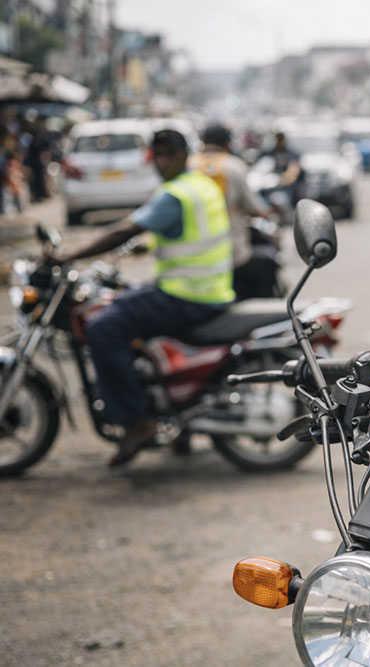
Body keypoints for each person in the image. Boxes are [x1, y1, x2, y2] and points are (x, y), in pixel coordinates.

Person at [45, 129, 234, 467]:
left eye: (167, 155)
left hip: (187, 295)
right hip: (210, 290)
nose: (161, 162)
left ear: (183, 155)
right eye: (156, 155)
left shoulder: (174, 195)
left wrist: (69, 256)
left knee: (103, 328)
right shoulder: (202, 185)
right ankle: (177, 418)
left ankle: (136, 421)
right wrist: (149, 244)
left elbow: (124, 230)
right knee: (122, 304)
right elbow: (185, 232)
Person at [190, 124, 275, 300]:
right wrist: (267, 212)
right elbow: (253, 208)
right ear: (227, 143)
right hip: (232, 254)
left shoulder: (189, 165)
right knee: (268, 263)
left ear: (203, 142)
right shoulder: (234, 166)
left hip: (192, 255)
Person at [262, 130, 303, 204]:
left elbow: (294, 169)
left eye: (281, 139)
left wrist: (286, 179)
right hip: (271, 185)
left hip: (287, 187)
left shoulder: (291, 153)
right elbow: (262, 164)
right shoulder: (271, 152)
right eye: (278, 139)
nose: (279, 141)